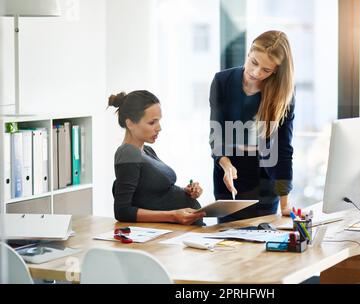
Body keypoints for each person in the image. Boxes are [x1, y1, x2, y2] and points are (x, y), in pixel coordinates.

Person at [209, 30, 295, 223]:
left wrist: (285, 203)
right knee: (227, 245)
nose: (256, 73)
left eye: (266, 70)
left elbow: (283, 150)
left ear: (276, 71)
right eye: (254, 62)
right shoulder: (222, 82)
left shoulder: (283, 95)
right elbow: (216, 134)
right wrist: (225, 163)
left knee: (261, 245)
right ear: (249, 53)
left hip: (264, 182)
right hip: (228, 179)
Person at [109, 90, 206, 225]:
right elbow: (122, 211)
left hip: (185, 230)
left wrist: (186, 191)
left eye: (159, 121)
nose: (159, 128)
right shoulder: (128, 153)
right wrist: (173, 215)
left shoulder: (147, 150)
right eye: (152, 122)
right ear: (130, 123)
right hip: (171, 233)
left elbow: (150, 195)